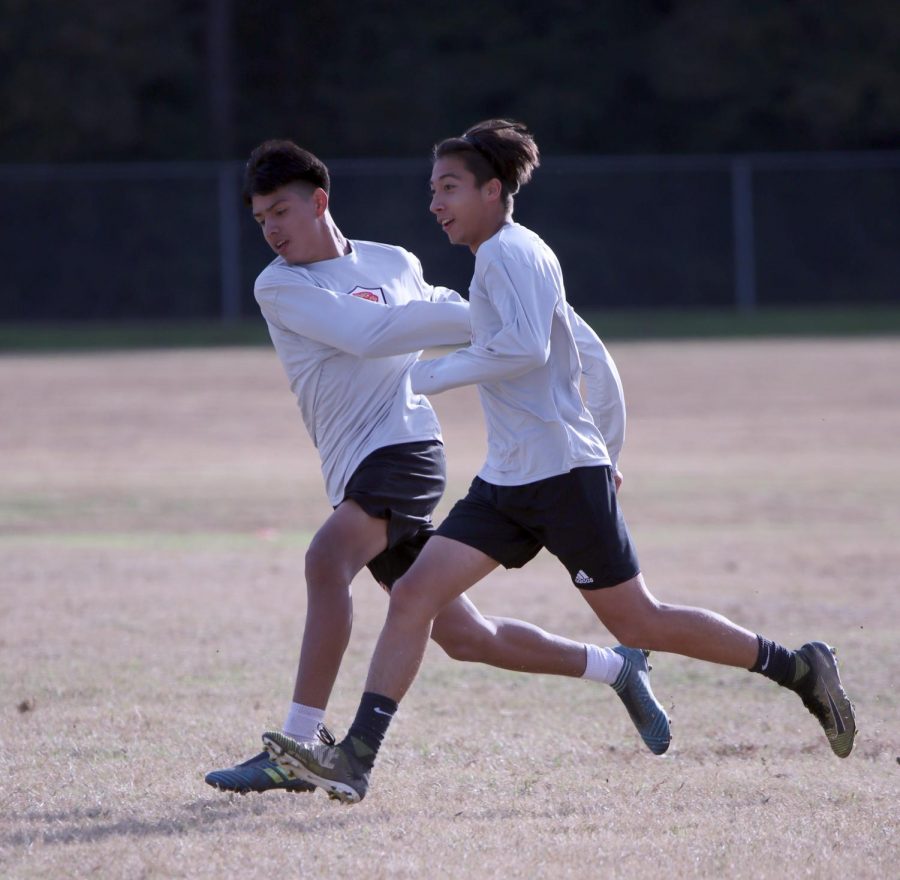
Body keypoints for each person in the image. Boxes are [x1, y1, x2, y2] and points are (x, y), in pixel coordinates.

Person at [261, 120, 857, 804]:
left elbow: (528, 351)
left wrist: (430, 380)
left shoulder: (515, 254)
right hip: (508, 478)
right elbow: (588, 352)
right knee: (415, 595)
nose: (435, 204)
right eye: (432, 190)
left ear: (492, 190)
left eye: (449, 188)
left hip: (562, 475)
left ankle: (797, 668)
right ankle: (356, 759)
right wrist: (611, 443)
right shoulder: (493, 261)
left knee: (640, 622)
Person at [205, 139, 670, 795]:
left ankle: (299, 744)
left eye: (281, 211)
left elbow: (462, 320)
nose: (272, 230)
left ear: (319, 201)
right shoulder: (280, 284)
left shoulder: (394, 262)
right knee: (466, 635)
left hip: (405, 449)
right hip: (353, 465)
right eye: (260, 220)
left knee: (325, 558)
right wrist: (487, 312)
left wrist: (531, 315)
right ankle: (616, 669)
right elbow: (371, 334)